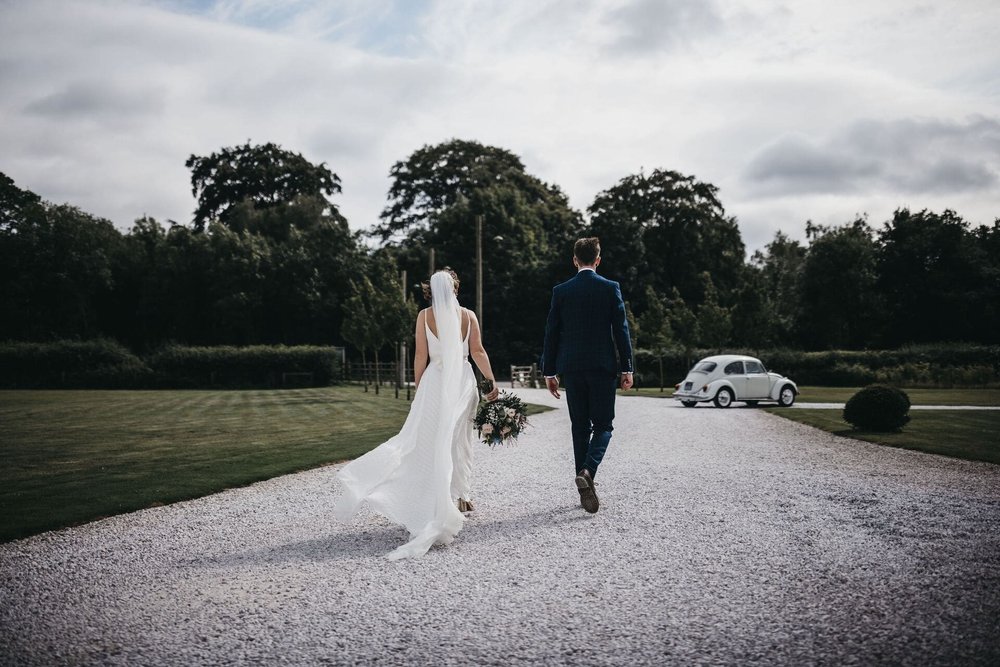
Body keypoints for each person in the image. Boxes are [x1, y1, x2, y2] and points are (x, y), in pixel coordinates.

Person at [334, 269, 499, 560]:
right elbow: (478, 352)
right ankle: (462, 496)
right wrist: (491, 382)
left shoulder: (424, 316)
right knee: (459, 439)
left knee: (431, 441)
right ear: (455, 289)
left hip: (435, 384)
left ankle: (445, 497)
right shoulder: (469, 316)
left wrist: (419, 390)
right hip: (461, 382)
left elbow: (420, 356)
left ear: (431, 292)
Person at [542, 237, 633, 514]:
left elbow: (552, 333)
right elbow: (621, 330)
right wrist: (627, 368)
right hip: (602, 367)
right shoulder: (610, 288)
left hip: (571, 367)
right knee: (604, 425)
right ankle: (588, 471)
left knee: (579, 427)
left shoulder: (561, 291)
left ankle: (584, 478)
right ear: (598, 259)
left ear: (574, 260)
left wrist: (549, 371)